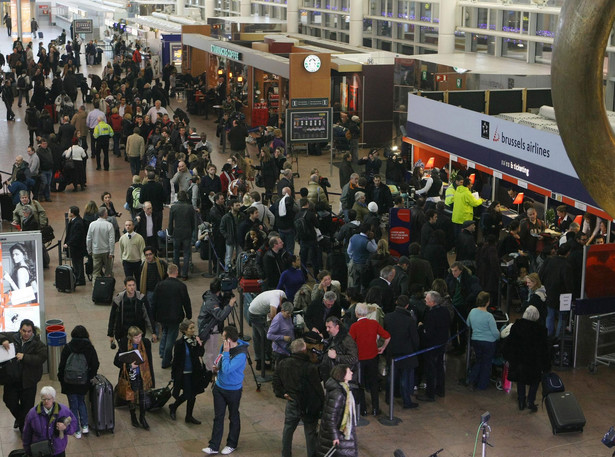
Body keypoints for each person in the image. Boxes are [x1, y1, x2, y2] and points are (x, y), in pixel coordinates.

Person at [273, 338, 324, 457]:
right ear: (304, 349)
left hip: (292, 401)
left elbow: (276, 382)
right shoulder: (310, 367)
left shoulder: (283, 363)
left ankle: (286, 454)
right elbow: (317, 389)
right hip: (308, 404)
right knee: (310, 432)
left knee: (288, 429)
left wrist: (282, 393)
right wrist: (322, 403)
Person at [202, 325, 249, 456]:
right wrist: (216, 366)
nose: (222, 340)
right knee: (218, 417)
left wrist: (227, 353)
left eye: (223, 337)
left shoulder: (241, 354)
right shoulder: (225, 347)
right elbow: (222, 359)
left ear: (229, 339)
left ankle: (232, 444)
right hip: (219, 387)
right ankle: (214, 446)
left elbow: (228, 370)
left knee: (233, 416)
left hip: (233, 390)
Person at [0, 319, 47, 432]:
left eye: (29, 331)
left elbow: (41, 358)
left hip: (28, 381)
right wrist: (3, 340)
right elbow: (1, 335)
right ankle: (21, 419)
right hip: (12, 380)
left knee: (27, 407)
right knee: (9, 400)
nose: (26, 334)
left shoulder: (38, 344)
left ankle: (24, 430)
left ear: (32, 331)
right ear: (20, 330)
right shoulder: (13, 337)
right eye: (24, 331)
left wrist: (25, 357)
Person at [502, 305, 550, 413]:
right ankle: (531, 401)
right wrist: (546, 365)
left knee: (520, 380)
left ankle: (521, 401)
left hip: (519, 360)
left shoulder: (517, 326)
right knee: (535, 381)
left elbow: (510, 344)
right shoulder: (541, 330)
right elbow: (544, 350)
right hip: (534, 362)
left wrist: (508, 356)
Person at [57, 325, 100, 439]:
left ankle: (76, 430)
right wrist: (89, 376)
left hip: (69, 382)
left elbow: (61, 366)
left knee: (73, 406)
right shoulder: (89, 348)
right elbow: (95, 364)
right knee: (81, 402)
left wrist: (61, 379)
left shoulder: (68, 347)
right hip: (83, 382)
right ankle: (85, 426)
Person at [113, 326, 155, 430]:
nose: (139, 339)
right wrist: (129, 365)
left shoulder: (145, 343)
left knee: (143, 397)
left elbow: (149, 360)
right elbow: (117, 361)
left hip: (143, 375)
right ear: (130, 337)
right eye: (136, 337)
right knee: (131, 397)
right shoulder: (124, 344)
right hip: (130, 375)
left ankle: (142, 417)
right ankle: (133, 416)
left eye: (140, 336)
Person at [152, 263, 192, 368]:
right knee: (171, 339)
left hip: (162, 316)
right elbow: (186, 302)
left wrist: (153, 315)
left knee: (165, 332)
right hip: (175, 317)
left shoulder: (160, 285)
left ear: (167, 272)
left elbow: (154, 302)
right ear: (177, 272)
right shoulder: (181, 286)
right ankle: (165, 361)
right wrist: (189, 314)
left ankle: (162, 352)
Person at [383, 295, 420, 409]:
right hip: (406, 352)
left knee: (391, 376)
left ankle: (388, 398)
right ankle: (406, 401)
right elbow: (415, 338)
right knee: (405, 377)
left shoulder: (388, 317)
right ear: (407, 306)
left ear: (396, 303)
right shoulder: (410, 320)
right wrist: (415, 349)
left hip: (391, 350)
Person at [22, 386, 78, 456]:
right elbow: (27, 433)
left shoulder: (64, 410)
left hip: (58, 450)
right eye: (43, 399)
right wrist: (28, 450)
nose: (46, 401)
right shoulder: (32, 413)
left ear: (53, 398)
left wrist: (65, 428)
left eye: (48, 399)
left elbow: (74, 425)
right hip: (41, 451)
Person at [316, 364, 358, 457]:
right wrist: (334, 437)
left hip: (337, 434)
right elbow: (330, 417)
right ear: (342, 375)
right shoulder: (338, 394)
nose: (351, 372)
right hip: (339, 435)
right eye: (348, 372)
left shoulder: (342, 389)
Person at [169, 319, 206, 424]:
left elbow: (200, 353)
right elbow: (176, 361)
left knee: (192, 394)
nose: (193, 330)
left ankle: (189, 416)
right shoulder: (179, 344)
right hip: (184, 373)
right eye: (191, 328)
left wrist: (200, 345)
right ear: (185, 330)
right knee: (187, 394)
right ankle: (174, 406)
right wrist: (173, 375)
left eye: (193, 328)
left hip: (194, 372)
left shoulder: (195, 341)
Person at [417, 291, 451, 402]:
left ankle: (430, 394)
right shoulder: (445, 311)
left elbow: (428, 332)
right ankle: (440, 390)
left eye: (427, 299)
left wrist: (421, 328)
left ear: (432, 302)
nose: (425, 300)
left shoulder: (432, 314)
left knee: (430, 369)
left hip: (431, 346)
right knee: (439, 366)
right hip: (441, 344)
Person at [198, 278, 237, 370]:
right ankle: (209, 372)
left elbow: (221, 304)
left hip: (213, 328)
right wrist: (230, 305)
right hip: (208, 330)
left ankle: (214, 367)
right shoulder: (211, 301)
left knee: (215, 350)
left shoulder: (214, 296)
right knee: (209, 353)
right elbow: (220, 316)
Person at [466, 292, 500, 391]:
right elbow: (495, 333)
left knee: (478, 361)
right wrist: (499, 336)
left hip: (476, 340)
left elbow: (468, 323)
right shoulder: (489, 316)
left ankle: (471, 380)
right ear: (488, 302)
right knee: (487, 364)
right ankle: (482, 385)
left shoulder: (472, 311)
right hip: (489, 343)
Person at [108, 276, 157, 344]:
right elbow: (113, 317)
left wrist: (153, 331)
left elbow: (148, 315)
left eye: (133, 285)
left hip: (137, 333)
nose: (132, 287)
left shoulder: (141, 298)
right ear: (125, 286)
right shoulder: (119, 299)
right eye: (129, 285)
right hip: (123, 333)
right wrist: (111, 334)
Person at [248, 289, 286, 370]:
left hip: (252, 311)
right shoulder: (275, 300)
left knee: (257, 337)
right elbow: (273, 316)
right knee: (268, 337)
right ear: (281, 301)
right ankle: (268, 359)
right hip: (257, 315)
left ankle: (259, 362)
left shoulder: (280, 293)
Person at [168, 190, 196, 280]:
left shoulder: (173, 208)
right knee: (186, 253)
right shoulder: (190, 207)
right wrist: (193, 231)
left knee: (176, 253)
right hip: (187, 233)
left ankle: (177, 272)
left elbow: (170, 222)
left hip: (177, 232)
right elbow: (193, 222)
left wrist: (170, 232)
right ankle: (185, 274)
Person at [86, 207, 115, 280]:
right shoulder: (109, 225)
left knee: (96, 271)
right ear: (105, 214)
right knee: (108, 272)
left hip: (96, 251)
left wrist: (89, 250)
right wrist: (111, 252)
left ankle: (95, 288)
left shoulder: (92, 224)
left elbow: (89, 238)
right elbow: (111, 240)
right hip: (106, 252)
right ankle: (108, 288)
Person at [64, 206, 87, 286]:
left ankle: (80, 279)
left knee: (78, 264)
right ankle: (77, 277)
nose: (68, 212)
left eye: (69, 211)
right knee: (76, 263)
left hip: (77, 248)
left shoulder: (78, 223)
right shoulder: (75, 221)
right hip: (75, 248)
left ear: (73, 213)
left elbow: (76, 236)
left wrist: (68, 243)